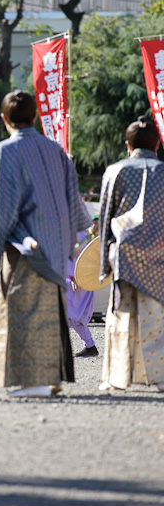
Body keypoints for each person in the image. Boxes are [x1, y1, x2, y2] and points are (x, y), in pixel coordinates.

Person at [0, 90, 90, 398]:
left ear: (4, 119)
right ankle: (51, 379)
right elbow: (75, 204)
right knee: (51, 314)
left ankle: (32, 383)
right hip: (55, 248)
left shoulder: (3, 153)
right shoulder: (56, 151)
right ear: (35, 116)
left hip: (25, 246)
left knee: (22, 312)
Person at [98, 116, 164, 393]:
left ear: (128, 145)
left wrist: (103, 261)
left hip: (124, 253)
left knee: (122, 316)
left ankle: (118, 378)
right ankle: (159, 378)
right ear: (158, 144)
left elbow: (105, 217)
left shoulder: (116, 171)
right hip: (160, 253)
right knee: (156, 315)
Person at [66, 216, 99, 357]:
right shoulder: (79, 232)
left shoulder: (74, 232)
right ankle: (90, 346)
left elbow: (75, 255)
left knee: (68, 316)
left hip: (75, 279)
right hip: (76, 278)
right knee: (74, 318)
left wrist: (74, 277)